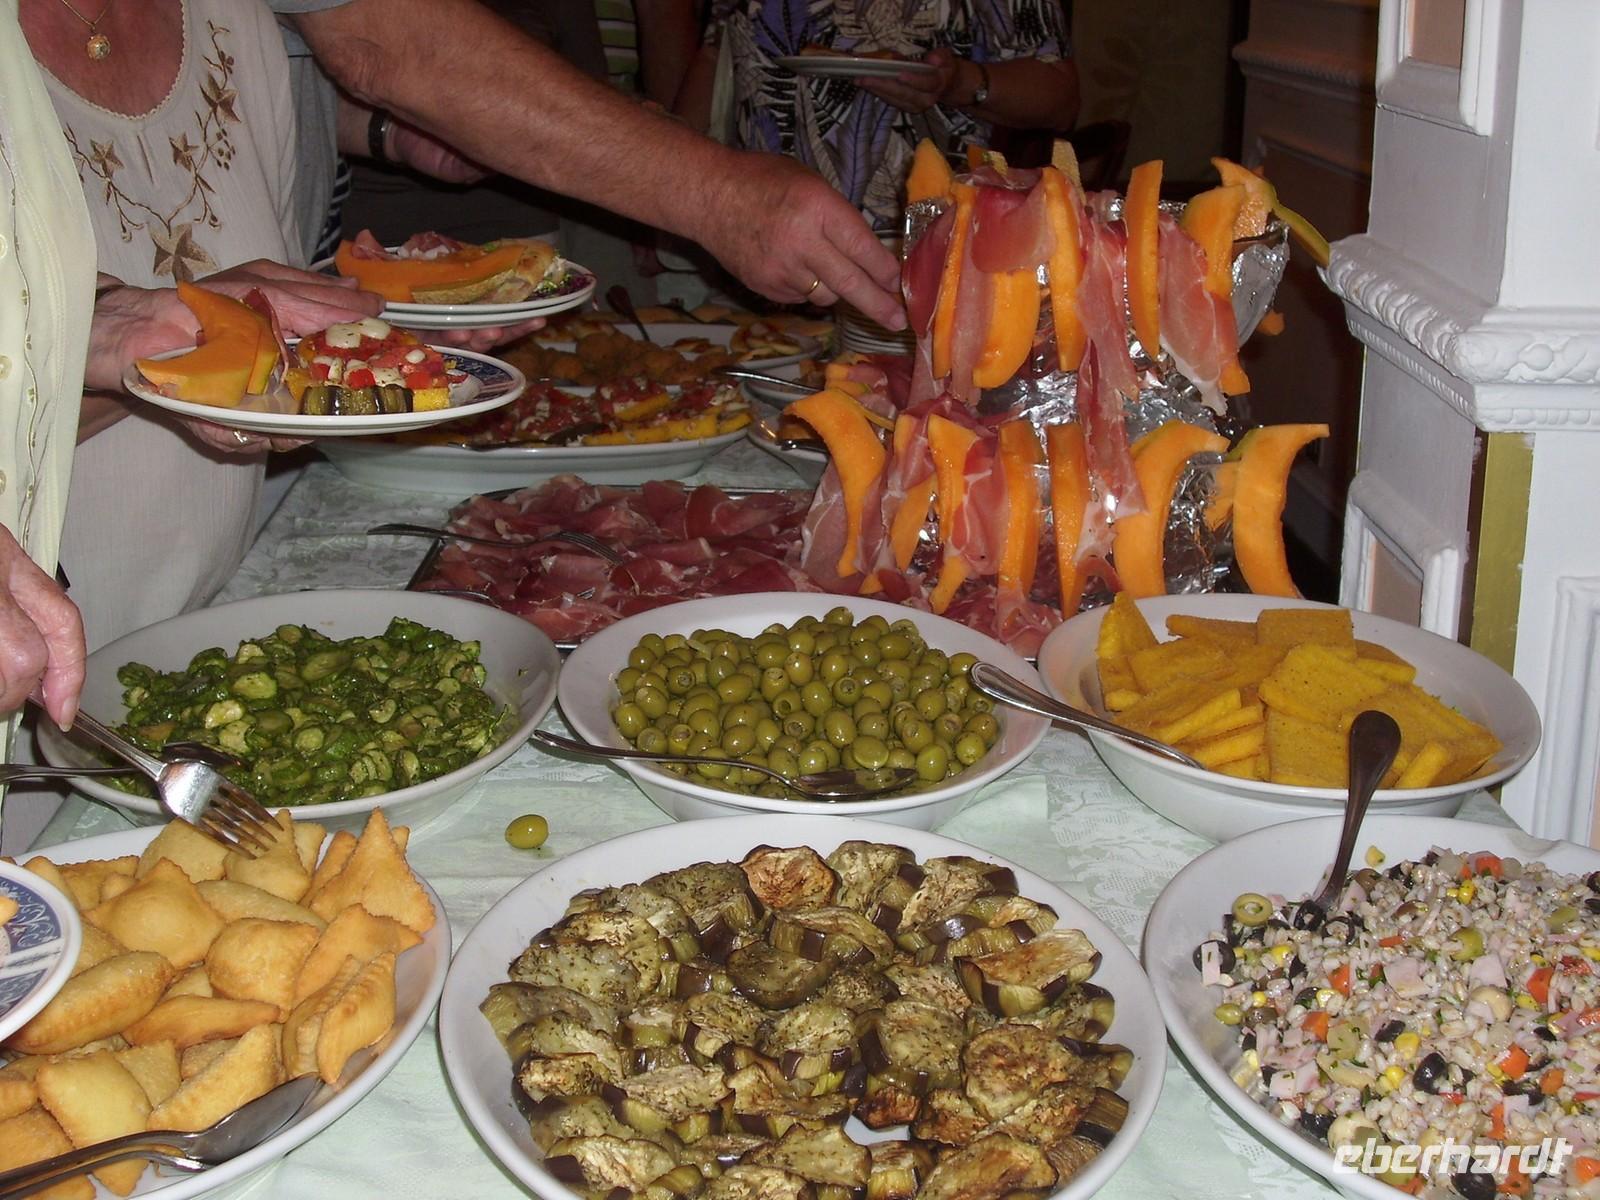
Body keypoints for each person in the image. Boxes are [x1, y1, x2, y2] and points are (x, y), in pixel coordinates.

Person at [17, 0, 393, 651]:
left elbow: (276, 356)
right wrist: (128, 346)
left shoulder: (237, 19)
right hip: (42, 658)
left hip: (217, 626)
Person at [270, 0, 907, 327]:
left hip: (285, 274)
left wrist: (386, 132)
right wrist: (718, 195)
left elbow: (280, 59)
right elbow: (379, 42)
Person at [679, 0, 1079, 229]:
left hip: (917, 256)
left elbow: (1060, 95)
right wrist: (671, 210)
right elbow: (716, 57)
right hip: (752, 241)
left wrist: (959, 82)